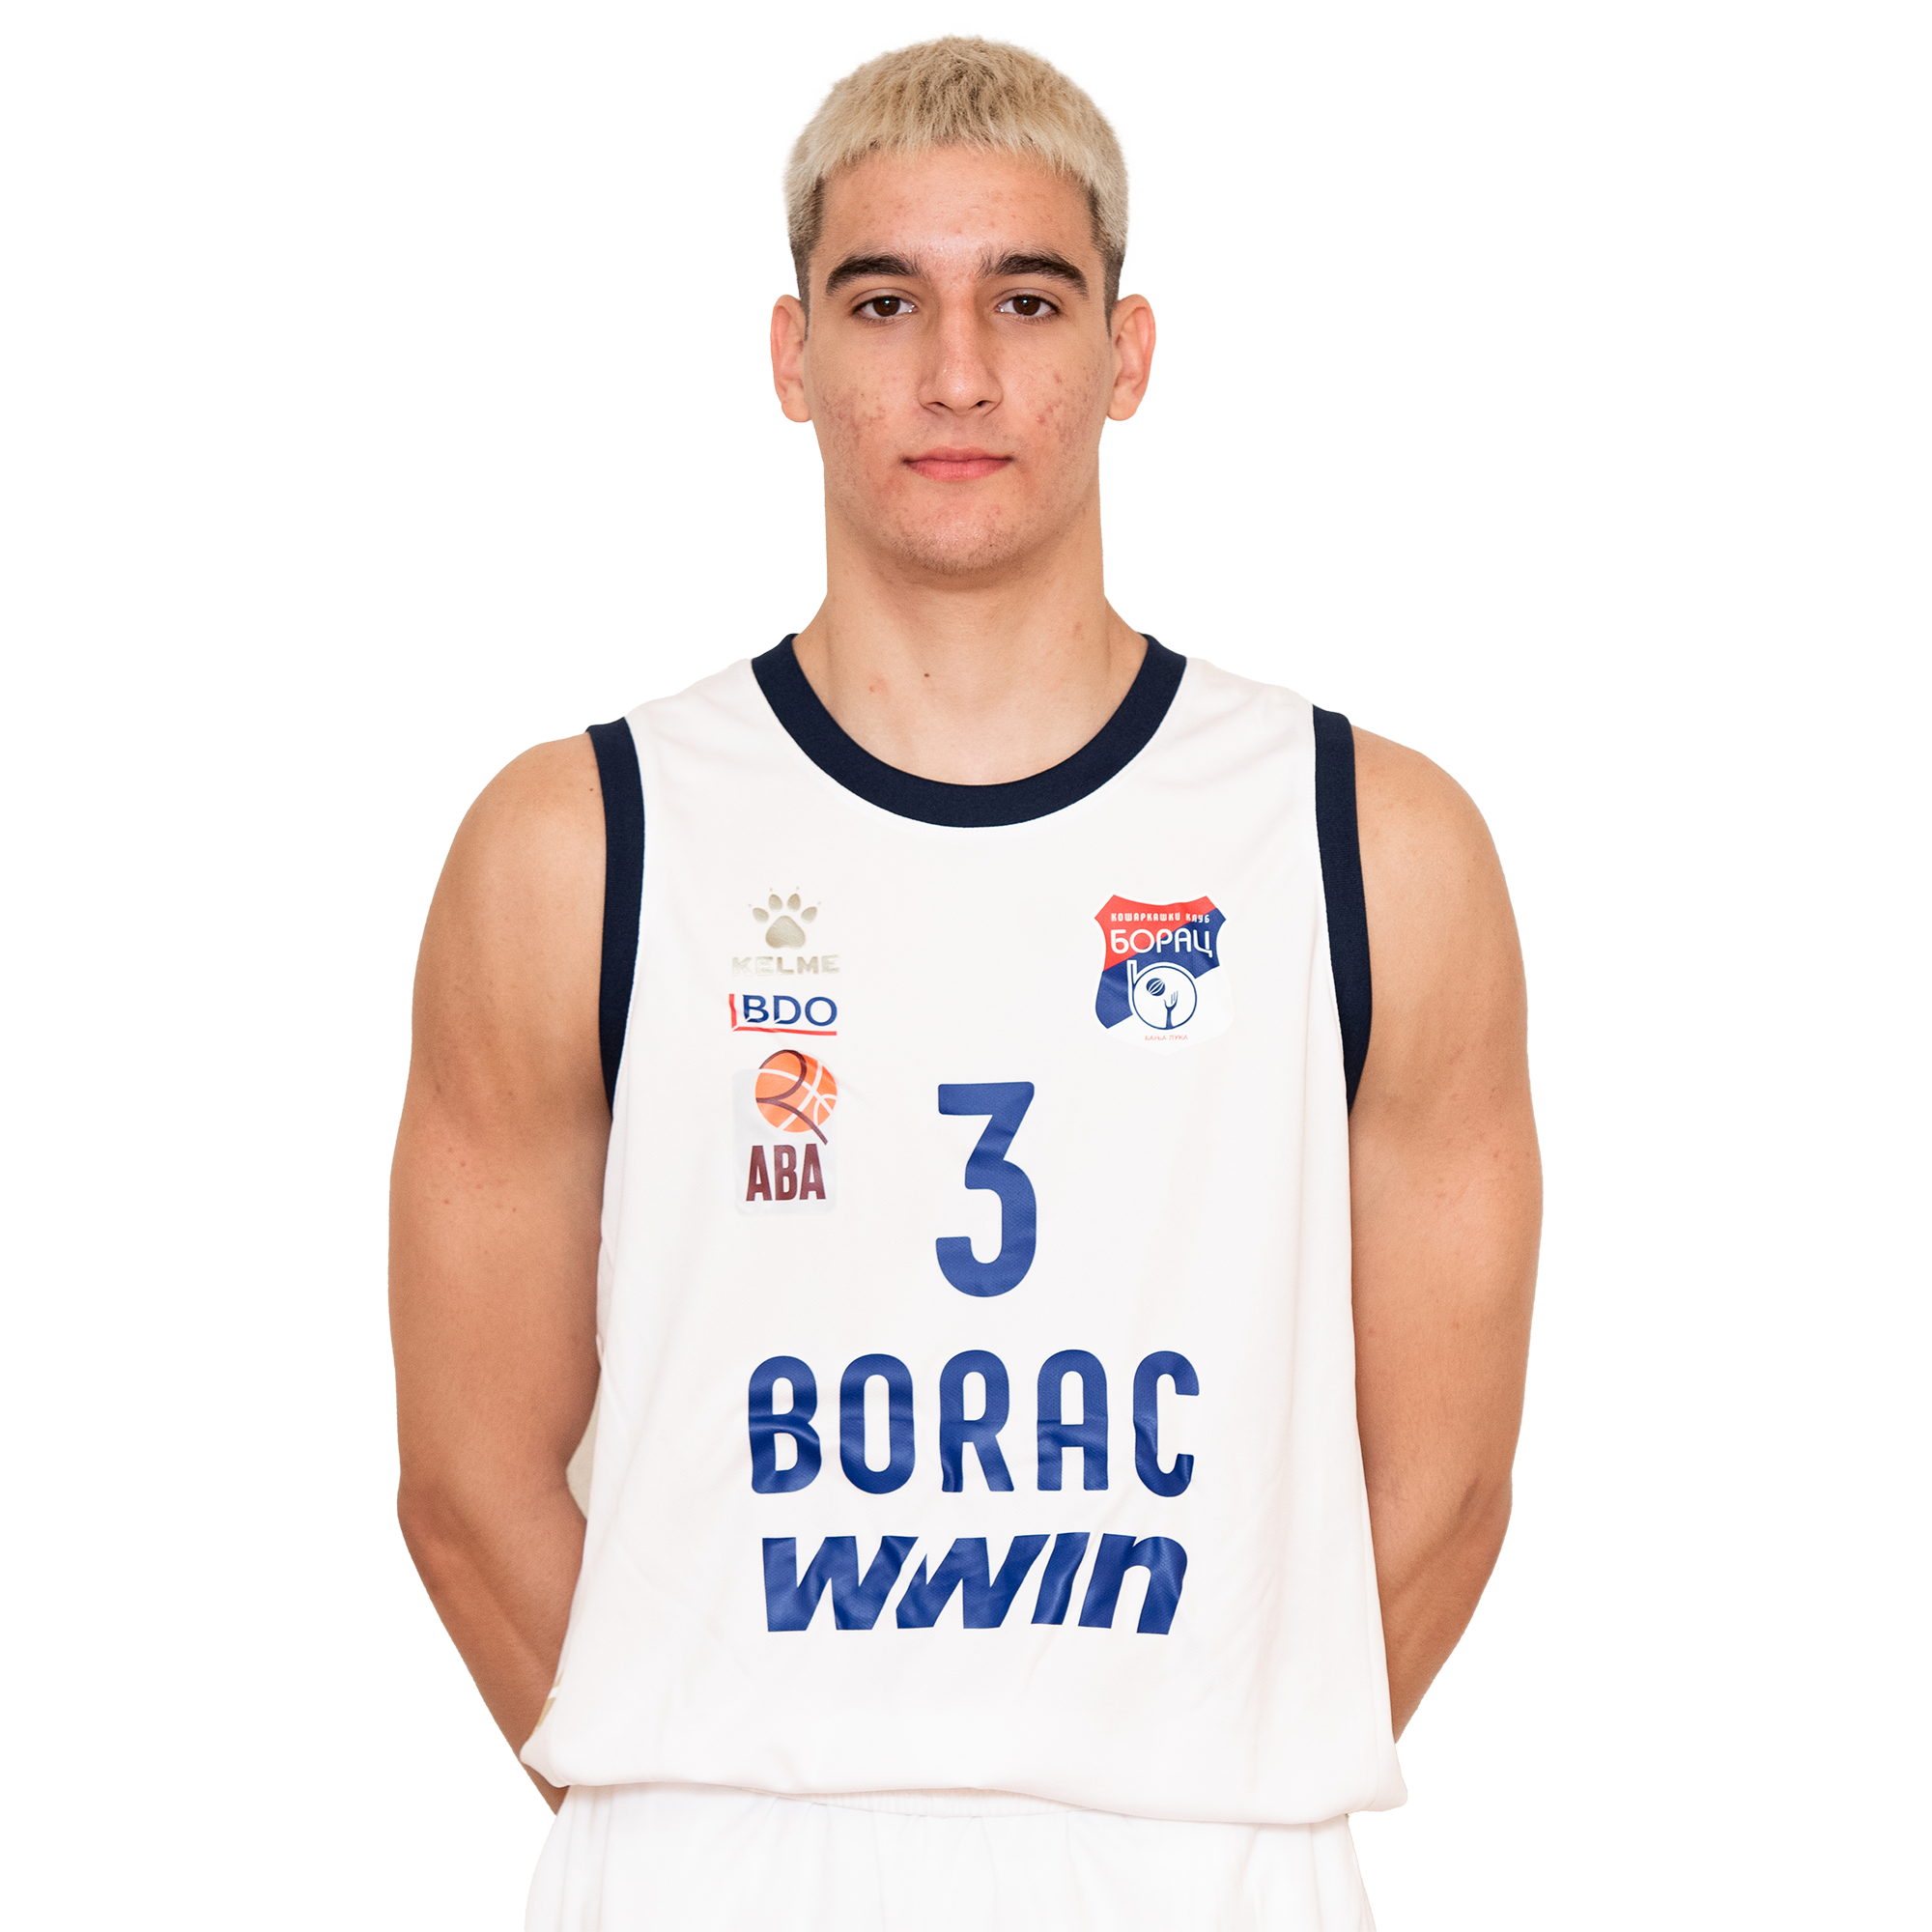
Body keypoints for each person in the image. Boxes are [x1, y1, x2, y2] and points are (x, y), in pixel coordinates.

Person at [391, 33, 1541, 1931]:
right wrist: (703, 1799)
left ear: (1126, 353)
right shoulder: (576, 843)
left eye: (1026, 297)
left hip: (1198, 1862)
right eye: (882, 301)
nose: (956, 372)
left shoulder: (1369, 842)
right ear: (792, 356)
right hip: (719, 1861)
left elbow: (1449, 1492)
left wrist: (1202, 1803)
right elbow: (462, 1483)